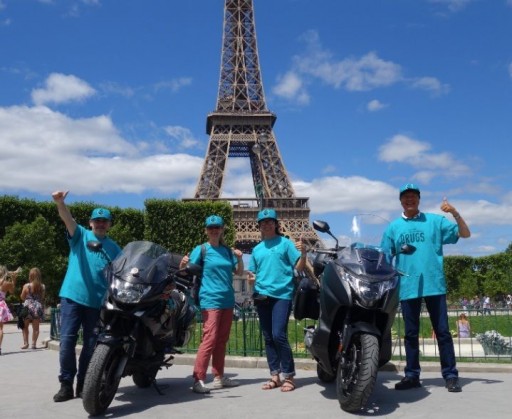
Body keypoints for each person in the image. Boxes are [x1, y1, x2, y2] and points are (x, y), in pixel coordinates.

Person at [380, 184, 470, 393]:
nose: (409, 200)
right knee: (410, 334)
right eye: (405, 197)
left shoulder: (435, 221)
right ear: (400, 201)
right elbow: (385, 257)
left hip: (434, 285)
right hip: (408, 285)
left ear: (418, 200)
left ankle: (450, 375)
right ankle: (412, 375)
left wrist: (455, 213)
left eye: (413, 196)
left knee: (443, 333)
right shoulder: (393, 228)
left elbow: (465, 234)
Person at [51, 191, 121, 402]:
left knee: (91, 346)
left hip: (96, 303)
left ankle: (84, 383)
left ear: (109, 225)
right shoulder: (80, 235)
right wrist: (60, 203)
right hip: (72, 297)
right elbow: (68, 219)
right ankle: (66, 384)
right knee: (67, 342)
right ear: (90, 223)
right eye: (97, 220)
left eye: (104, 221)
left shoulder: (115, 248)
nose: (100, 224)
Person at [180, 215, 244, 394]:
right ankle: (198, 378)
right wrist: (183, 263)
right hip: (210, 298)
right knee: (210, 338)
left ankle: (218, 376)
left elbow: (238, 272)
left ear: (222, 229)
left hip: (228, 299)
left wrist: (239, 258)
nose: (214, 230)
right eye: (210, 228)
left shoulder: (226, 251)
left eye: (217, 227)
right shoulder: (201, 250)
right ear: (206, 231)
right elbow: (186, 271)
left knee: (222, 340)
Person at [247, 208, 307, 393]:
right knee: (267, 337)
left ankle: (288, 375)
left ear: (275, 224)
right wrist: (251, 280)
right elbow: (252, 274)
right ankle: (275, 375)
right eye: (263, 222)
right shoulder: (256, 249)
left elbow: (298, 267)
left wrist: (304, 254)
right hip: (262, 295)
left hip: (282, 294)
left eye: (270, 221)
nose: (266, 224)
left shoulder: (286, 244)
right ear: (259, 226)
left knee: (278, 335)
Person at [20, 267, 46, 349]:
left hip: (28, 307)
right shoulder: (42, 286)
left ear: (30, 276)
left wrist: (28, 299)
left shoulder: (26, 286)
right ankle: (34, 344)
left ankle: (26, 343)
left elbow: (22, 297)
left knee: (25, 326)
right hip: (37, 307)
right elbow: (42, 297)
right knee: (36, 328)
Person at [0, 266, 22, 355]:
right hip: (1, 305)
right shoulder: (7, 283)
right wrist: (14, 279)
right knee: (0, 329)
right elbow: (12, 291)